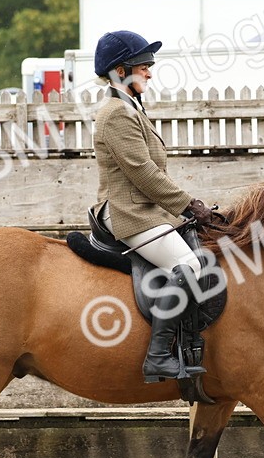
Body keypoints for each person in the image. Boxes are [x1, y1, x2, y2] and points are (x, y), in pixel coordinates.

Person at [91, 30, 213, 383]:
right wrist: (189, 203)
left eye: (148, 66)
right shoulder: (116, 114)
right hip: (127, 214)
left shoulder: (130, 109)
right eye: (143, 66)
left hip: (147, 211)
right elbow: (142, 173)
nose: (149, 72)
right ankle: (158, 356)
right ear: (121, 72)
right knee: (189, 264)